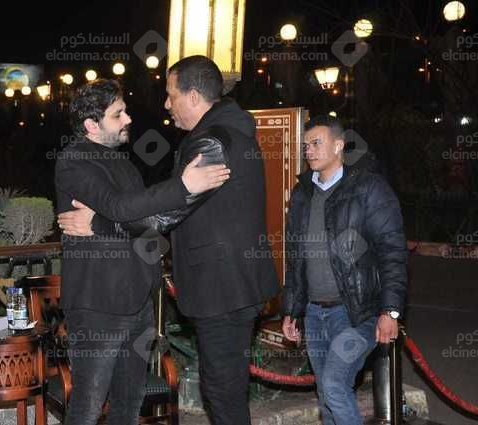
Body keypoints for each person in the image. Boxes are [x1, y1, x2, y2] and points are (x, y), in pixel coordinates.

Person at [58, 56, 279, 425]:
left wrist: (98, 223)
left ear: (192, 97)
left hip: (189, 294)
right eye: (118, 114)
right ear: (91, 125)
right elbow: (130, 210)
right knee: (89, 406)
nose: (131, 118)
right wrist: (182, 186)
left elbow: (153, 218)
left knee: (199, 396)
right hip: (100, 305)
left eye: (170, 95)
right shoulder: (75, 160)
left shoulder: (209, 142)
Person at [281, 115, 408, 425]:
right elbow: (296, 257)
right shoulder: (302, 193)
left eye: (316, 143)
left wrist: (390, 311)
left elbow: (392, 252)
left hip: (357, 313)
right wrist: (292, 310)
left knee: (334, 385)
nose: (309, 150)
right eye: (306, 145)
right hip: (313, 313)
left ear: (338, 145)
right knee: (327, 396)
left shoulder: (368, 188)